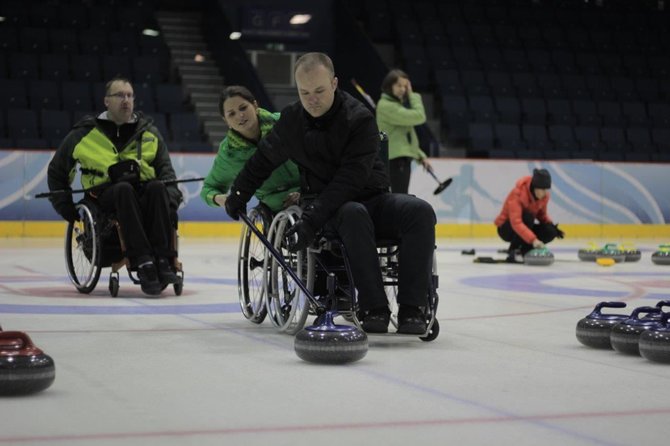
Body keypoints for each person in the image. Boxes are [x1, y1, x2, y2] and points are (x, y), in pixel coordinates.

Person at [224, 52, 436, 335]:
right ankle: (374, 308)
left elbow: (351, 179)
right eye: (305, 92)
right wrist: (238, 193)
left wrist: (308, 222)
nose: (312, 98)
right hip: (328, 209)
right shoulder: (291, 122)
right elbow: (262, 161)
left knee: (419, 211)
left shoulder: (359, 119)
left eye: (320, 90)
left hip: (369, 197)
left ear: (334, 83)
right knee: (352, 213)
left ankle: (413, 309)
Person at [47, 76, 183, 296]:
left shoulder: (150, 133)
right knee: (123, 189)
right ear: (106, 101)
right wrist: (64, 206)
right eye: (120, 95)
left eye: (129, 95)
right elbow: (57, 172)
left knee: (158, 187)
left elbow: (167, 174)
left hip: (143, 193)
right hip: (102, 197)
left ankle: (162, 258)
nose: (126, 100)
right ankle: (143, 260)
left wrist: (172, 201)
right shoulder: (82, 134)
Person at [200, 86, 300, 214]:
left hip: (310, 194)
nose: (240, 115)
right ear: (226, 121)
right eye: (232, 114)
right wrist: (222, 199)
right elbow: (208, 189)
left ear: (255, 105)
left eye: (243, 108)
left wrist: (303, 193)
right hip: (275, 209)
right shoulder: (229, 153)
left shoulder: (283, 122)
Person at [375, 69, 432, 194]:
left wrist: (420, 156)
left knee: (400, 197)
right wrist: (413, 95)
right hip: (395, 160)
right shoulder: (386, 106)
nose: (403, 89)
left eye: (405, 86)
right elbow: (419, 116)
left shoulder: (395, 105)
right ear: (390, 85)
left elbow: (403, 136)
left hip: (399, 158)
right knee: (399, 197)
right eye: (399, 85)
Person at [494, 168, 564, 262]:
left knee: (550, 230)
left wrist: (552, 227)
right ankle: (514, 250)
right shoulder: (517, 194)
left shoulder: (544, 197)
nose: (545, 193)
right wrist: (533, 240)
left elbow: (542, 215)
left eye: (546, 189)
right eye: (542, 189)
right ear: (535, 187)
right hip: (506, 229)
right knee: (527, 217)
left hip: (525, 226)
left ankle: (525, 250)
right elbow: (516, 222)